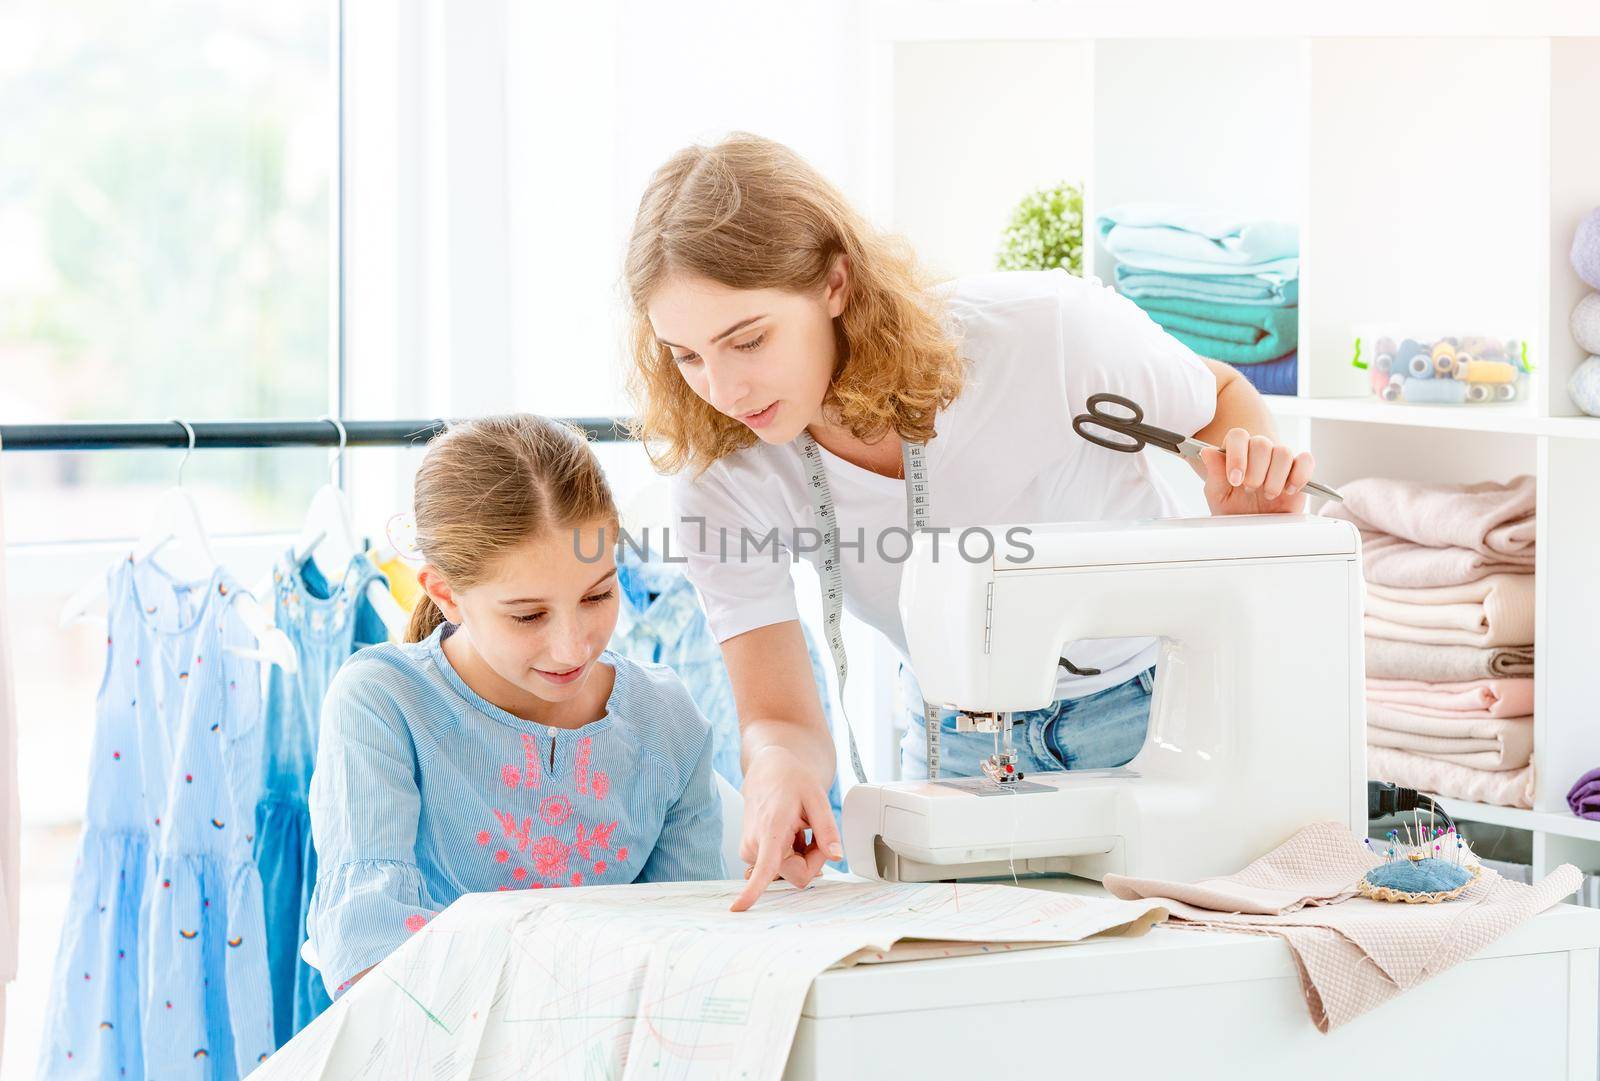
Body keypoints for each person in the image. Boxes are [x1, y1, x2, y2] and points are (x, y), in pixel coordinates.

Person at [623, 133, 1316, 911]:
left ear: (835, 283)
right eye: (685, 356)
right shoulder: (721, 473)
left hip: (1151, 714)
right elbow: (779, 717)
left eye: (747, 339)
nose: (723, 388)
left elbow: (1215, 395)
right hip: (958, 737)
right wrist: (779, 769)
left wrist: (1243, 498)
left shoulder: (1046, 336)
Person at [307, 415, 725, 996]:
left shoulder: (666, 721)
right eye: (528, 615)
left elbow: (695, 944)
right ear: (445, 594)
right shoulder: (385, 702)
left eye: (598, 595)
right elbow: (367, 952)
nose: (572, 646)